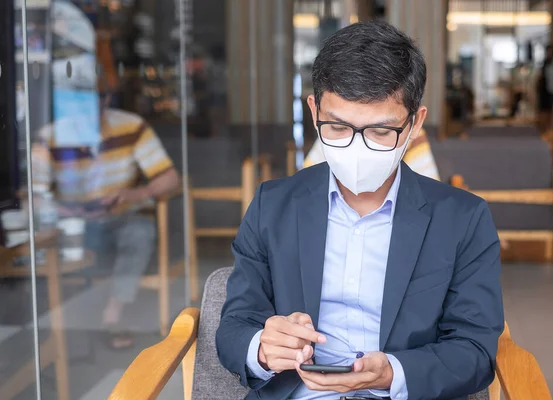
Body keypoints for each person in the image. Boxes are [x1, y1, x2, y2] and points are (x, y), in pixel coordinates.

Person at [216, 22, 503, 400]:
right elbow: (235, 326)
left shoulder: (463, 219)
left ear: (415, 123)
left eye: (381, 132)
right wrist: (263, 349)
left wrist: (390, 374)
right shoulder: (273, 206)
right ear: (314, 110)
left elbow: (475, 353)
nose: (357, 148)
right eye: (337, 127)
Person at [32, 38, 181, 349]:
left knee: (139, 233)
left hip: (119, 216)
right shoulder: (49, 137)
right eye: (77, 100)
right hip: (71, 225)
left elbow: (170, 179)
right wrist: (62, 211)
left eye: (94, 99)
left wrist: (134, 195)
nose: (87, 108)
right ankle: (55, 329)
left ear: (106, 98)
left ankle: (113, 313)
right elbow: (34, 193)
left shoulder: (131, 126)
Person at [303, 125, 441, 181]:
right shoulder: (330, 131)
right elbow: (306, 185)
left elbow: (428, 193)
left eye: (381, 131)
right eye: (341, 127)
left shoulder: (408, 133)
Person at [537, 45, 553, 133]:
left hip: (551, 90)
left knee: (550, 110)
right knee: (544, 110)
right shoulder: (546, 63)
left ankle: (548, 130)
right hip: (544, 89)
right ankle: (543, 129)